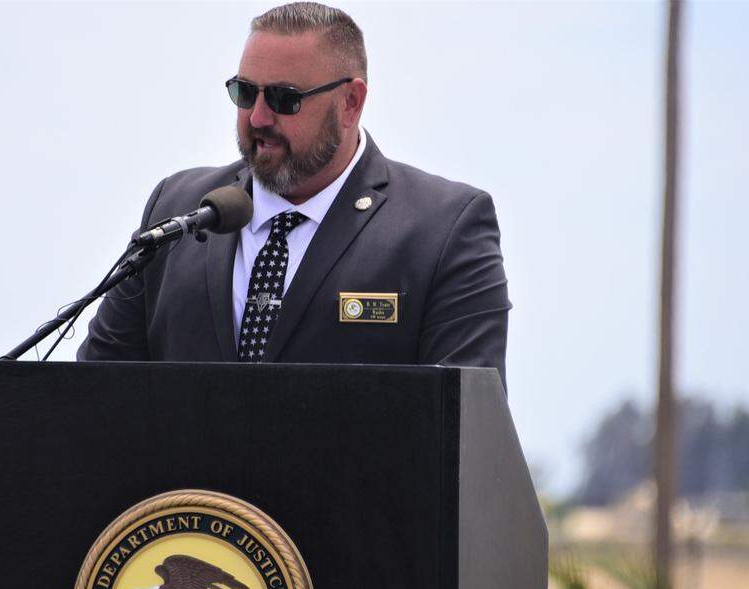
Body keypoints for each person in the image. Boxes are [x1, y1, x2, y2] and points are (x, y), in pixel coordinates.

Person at [77, 2, 512, 388]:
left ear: (350, 103)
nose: (259, 116)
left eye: (285, 99)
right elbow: (93, 393)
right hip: (185, 484)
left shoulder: (442, 228)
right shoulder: (177, 209)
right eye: (245, 92)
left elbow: (464, 432)